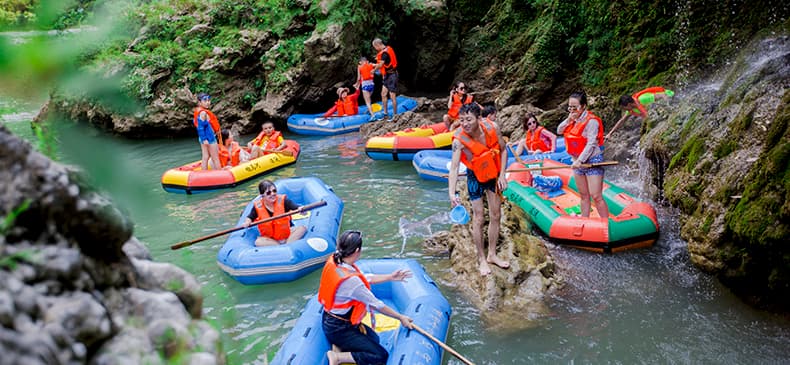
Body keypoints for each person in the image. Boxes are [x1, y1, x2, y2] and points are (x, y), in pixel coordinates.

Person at [318, 230, 414, 365]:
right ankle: (337, 357)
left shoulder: (336, 261)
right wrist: (401, 317)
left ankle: (340, 347)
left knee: (374, 338)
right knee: (380, 355)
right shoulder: (351, 282)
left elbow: (365, 278)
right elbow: (377, 304)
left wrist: (390, 277)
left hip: (331, 319)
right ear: (357, 250)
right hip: (338, 327)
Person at [448, 104, 510, 276]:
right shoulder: (458, 142)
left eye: (469, 119)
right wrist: (452, 194)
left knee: (496, 214)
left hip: (493, 173)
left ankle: (492, 254)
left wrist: (503, 175)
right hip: (475, 176)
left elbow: (503, 150)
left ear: (479, 119)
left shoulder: (493, 127)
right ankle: (481, 259)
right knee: (479, 217)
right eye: (461, 120)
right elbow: (453, 168)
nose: (465, 124)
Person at [557, 91, 609, 220]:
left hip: (592, 160)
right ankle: (585, 220)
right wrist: (568, 119)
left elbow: (591, 143)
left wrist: (580, 160)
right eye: (570, 107)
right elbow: (559, 130)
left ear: (584, 106)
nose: (572, 110)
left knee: (596, 196)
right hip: (576, 160)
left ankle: (606, 223)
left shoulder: (592, 122)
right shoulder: (572, 119)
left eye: (575, 107)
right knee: (584, 195)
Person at [243, 180, 307, 246]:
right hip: (271, 239)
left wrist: (301, 210)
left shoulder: (284, 201)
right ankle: (281, 247)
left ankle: (287, 245)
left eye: (274, 191)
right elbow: (250, 217)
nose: (272, 194)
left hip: (287, 234)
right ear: (262, 195)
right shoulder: (258, 206)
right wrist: (247, 222)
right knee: (258, 242)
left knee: (302, 228)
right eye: (268, 193)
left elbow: (297, 207)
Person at [607, 86, 675, 139]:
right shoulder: (631, 109)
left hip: (671, 96)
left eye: (623, 108)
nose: (624, 110)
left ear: (628, 105)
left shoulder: (643, 99)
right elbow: (622, 121)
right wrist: (610, 134)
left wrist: (669, 105)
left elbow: (662, 94)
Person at [193, 93, 221, 170]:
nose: (208, 102)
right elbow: (200, 127)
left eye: (208, 100)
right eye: (205, 101)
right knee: (215, 158)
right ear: (199, 102)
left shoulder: (201, 112)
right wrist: (205, 139)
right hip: (209, 138)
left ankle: (204, 173)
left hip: (203, 138)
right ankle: (220, 174)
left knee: (205, 156)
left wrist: (203, 139)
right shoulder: (203, 113)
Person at [372, 38, 398, 118]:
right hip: (387, 75)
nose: (375, 49)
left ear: (378, 45)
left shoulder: (385, 53)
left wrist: (373, 70)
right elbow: (382, 64)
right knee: (383, 94)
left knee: (392, 95)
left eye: (375, 47)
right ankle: (385, 113)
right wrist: (373, 65)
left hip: (392, 75)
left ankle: (395, 115)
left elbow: (380, 65)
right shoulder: (386, 50)